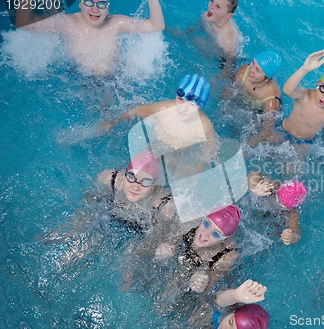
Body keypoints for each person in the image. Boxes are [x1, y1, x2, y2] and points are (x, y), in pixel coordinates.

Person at [38, 152, 175, 271]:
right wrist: (81, 221)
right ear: (126, 173)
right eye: (131, 177)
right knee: (80, 230)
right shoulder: (110, 179)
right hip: (109, 213)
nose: (135, 186)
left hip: (139, 231)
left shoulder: (163, 205)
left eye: (145, 182)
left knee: (129, 259)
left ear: (155, 185)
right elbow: (88, 201)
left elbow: (160, 236)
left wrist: (150, 249)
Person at [16, 0, 165, 76]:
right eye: (88, 2)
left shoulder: (116, 23)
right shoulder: (68, 23)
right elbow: (25, 24)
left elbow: (156, 26)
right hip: (79, 79)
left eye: (101, 4)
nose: (95, 9)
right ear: (80, 3)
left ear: (108, 6)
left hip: (113, 79)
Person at [153, 205, 241, 315]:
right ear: (203, 218)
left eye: (215, 234)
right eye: (207, 224)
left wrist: (204, 282)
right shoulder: (188, 225)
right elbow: (159, 236)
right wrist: (163, 248)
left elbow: (214, 284)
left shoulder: (227, 255)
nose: (206, 233)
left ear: (224, 240)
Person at [102, 73, 217, 153]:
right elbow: (136, 110)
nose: (183, 108)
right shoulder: (164, 109)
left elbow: (208, 153)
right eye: (180, 100)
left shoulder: (204, 126)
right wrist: (112, 122)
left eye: (191, 105)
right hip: (152, 151)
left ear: (200, 106)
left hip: (176, 159)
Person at [247, 171, 307, 245]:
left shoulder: (291, 213)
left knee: (274, 234)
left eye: (280, 205)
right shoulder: (273, 187)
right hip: (257, 211)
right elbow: (253, 174)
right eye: (276, 198)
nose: (275, 202)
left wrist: (290, 236)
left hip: (274, 222)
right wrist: (255, 188)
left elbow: (297, 235)